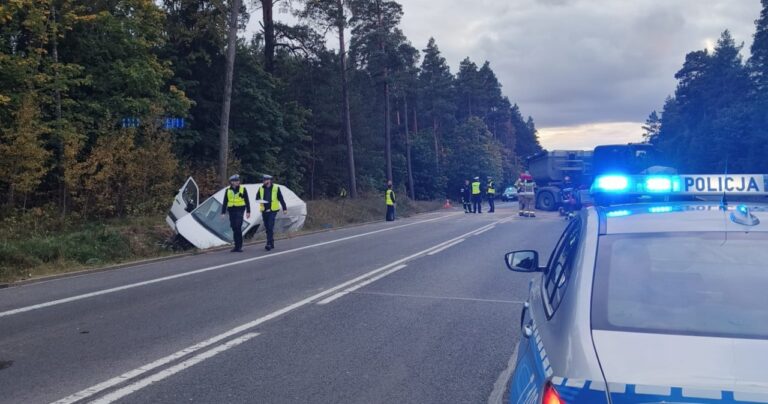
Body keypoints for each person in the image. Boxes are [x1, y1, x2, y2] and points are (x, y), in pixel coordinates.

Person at [220, 174, 251, 252]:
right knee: (234, 228)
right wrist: (223, 212)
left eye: (238, 180)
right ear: (232, 182)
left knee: (238, 226)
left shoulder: (243, 189)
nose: (238, 182)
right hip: (231, 210)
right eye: (236, 181)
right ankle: (236, 246)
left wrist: (248, 211)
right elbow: (225, 202)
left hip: (240, 210)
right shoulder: (228, 190)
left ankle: (239, 246)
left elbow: (247, 201)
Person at [258, 174, 287, 251]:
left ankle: (268, 244)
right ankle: (272, 242)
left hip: (273, 210)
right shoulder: (261, 188)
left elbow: (281, 198)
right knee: (267, 227)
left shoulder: (276, 188)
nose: (264, 181)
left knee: (270, 226)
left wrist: (284, 208)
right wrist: (259, 200)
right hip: (264, 210)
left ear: (270, 180)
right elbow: (257, 197)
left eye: (266, 180)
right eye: (264, 180)